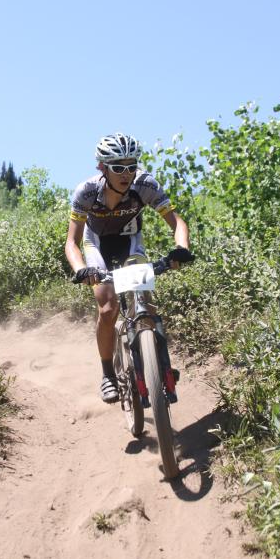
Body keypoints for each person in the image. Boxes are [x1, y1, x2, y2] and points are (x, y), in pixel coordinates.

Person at [65, 133, 191, 403]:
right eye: (118, 167)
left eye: (131, 166)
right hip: (97, 243)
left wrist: (181, 248)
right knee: (108, 308)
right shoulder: (86, 191)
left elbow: (178, 223)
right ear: (102, 167)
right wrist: (81, 269)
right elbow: (71, 242)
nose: (126, 173)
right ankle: (108, 374)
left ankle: (157, 361)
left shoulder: (145, 185)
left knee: (144, 298)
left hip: (130, 241)